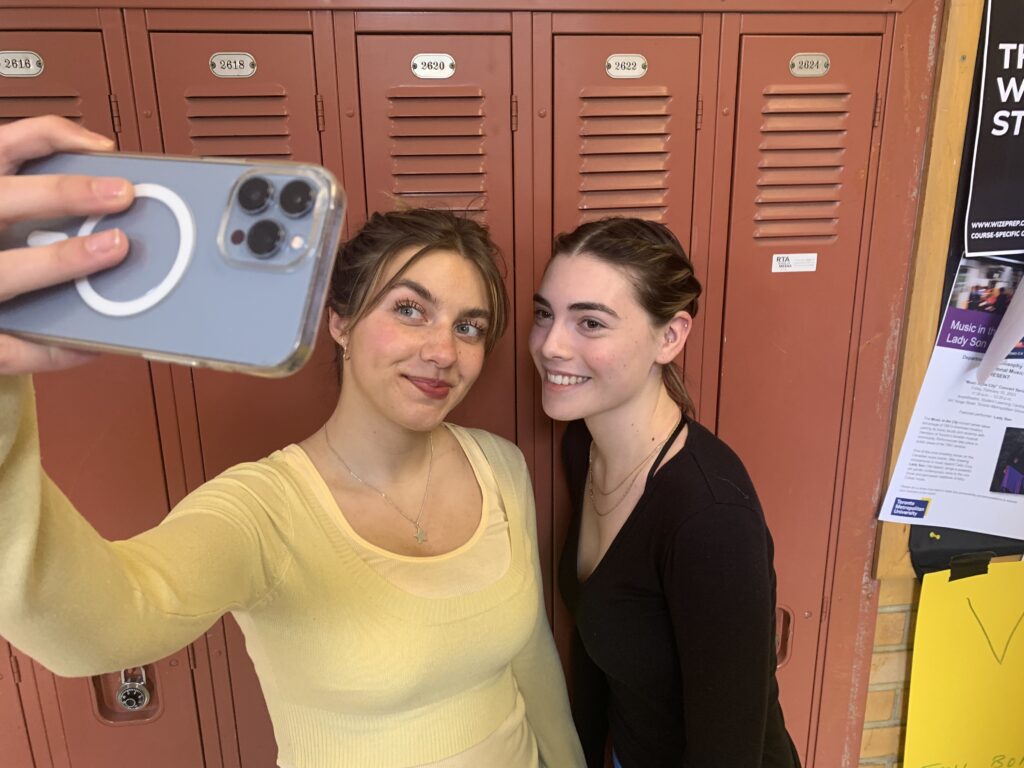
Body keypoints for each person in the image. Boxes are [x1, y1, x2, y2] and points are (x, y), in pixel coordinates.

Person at [0, 115, 584, 768]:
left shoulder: (498, 467)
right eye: (409, 310)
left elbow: (531, 656)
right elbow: (99, 629)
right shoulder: (263, 512)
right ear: (339, 321)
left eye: (469, 327)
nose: (442, 351)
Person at [529, 217, 800, 767]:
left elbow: (728, 754)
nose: (550, 345)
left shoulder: (709, 518)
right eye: (544, 315)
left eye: (591, 323)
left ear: (670, 337)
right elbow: (594, 647)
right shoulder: (583, 447)